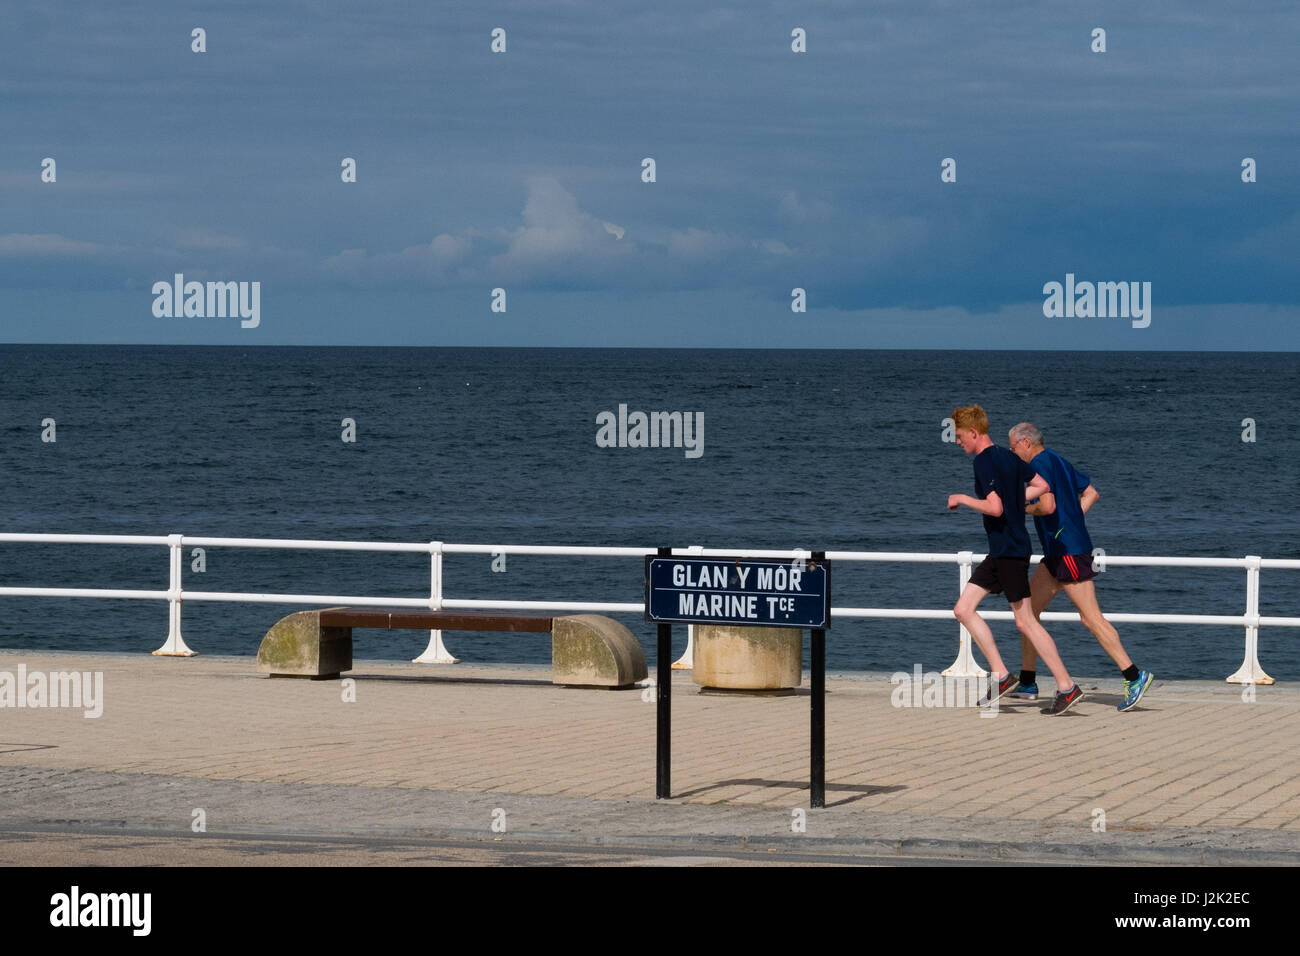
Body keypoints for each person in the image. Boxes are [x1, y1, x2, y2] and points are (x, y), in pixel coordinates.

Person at [947, 406, 1084, 715]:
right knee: (963, 609)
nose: (957, 442)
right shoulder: (1008, 457)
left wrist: (962, 499)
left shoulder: (984, 461)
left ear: (973, 433)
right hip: (1002, 551)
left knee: (1025, 621)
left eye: (958, 436)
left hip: (1009, 551)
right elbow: (1042, 486)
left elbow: (994, 509)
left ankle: (1067, 686)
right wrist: (1014, 498)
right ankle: (1001, 675)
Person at [1008, 422, 1154, 712]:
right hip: (1058, 552)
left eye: (1013, 448)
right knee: (1027, 613)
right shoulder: (1058, 460)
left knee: (1090, 618)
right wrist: (1071, 521)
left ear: (1025, 442)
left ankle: (1134, 676)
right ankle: (1027, 682)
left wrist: (1020, 508)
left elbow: (1046, 506)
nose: (1013, 454)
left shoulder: (1038, 466)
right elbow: (1091, 493)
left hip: (1069, 553)